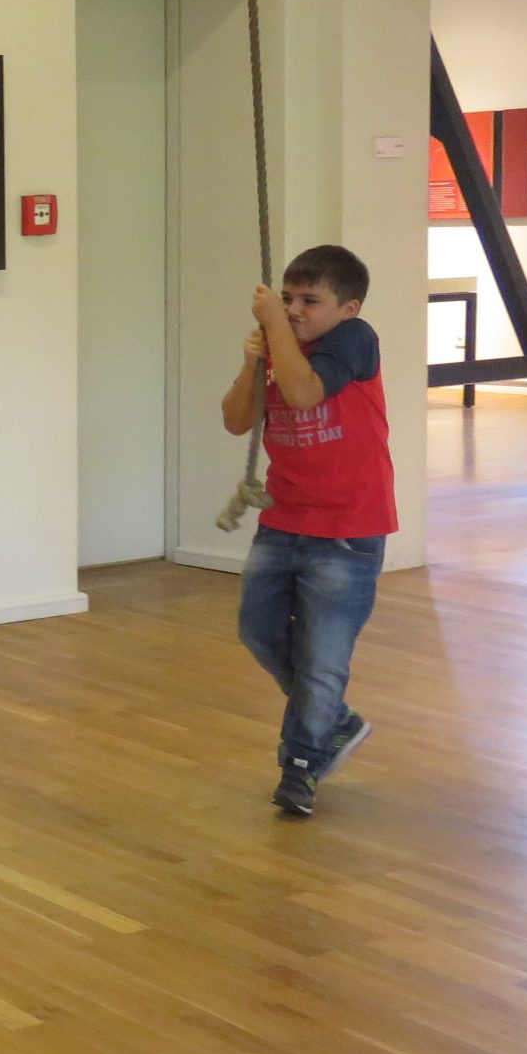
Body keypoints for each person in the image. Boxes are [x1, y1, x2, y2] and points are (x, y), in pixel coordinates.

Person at [219, 245, 397, 818]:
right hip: (284, 520)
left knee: (323, 658)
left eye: (310, 301)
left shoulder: (354, 339)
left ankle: (301, 765)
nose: (295, 309)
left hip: (347, 529)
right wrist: (252, 364)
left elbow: (303, 393)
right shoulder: (280, 348)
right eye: (288, 298)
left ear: (348, 308)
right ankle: (335, 721)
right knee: (258, 630)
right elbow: (237, 420)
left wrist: (275, 327)